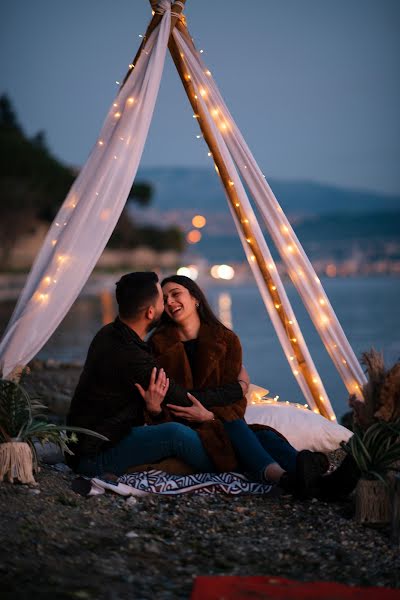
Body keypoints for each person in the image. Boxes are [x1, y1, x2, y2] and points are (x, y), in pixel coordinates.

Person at [147, 275, 360, 500]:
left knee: (263, 437)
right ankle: (293, 480)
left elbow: (235, 401)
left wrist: (212, 413)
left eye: (176, 294)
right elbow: (173, 396)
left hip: (224, 425)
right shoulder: (157, 347)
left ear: (195, 298)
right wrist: (234, 391)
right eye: (165, 298)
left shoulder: (226, 340)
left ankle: (315, 484)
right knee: (240, 429)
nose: (170, 301)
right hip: (187, 427)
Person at [66, 272, 247, 477]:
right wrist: (239, 388)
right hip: (94, 456)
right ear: (151, 312)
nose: (168, 303)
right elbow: (183, 400)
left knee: (257, 435)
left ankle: (268, 465)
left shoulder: (109, 333)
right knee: (174, 434)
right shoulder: (133, 356)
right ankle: (240, 467)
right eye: (162, 299)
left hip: (94, 442)